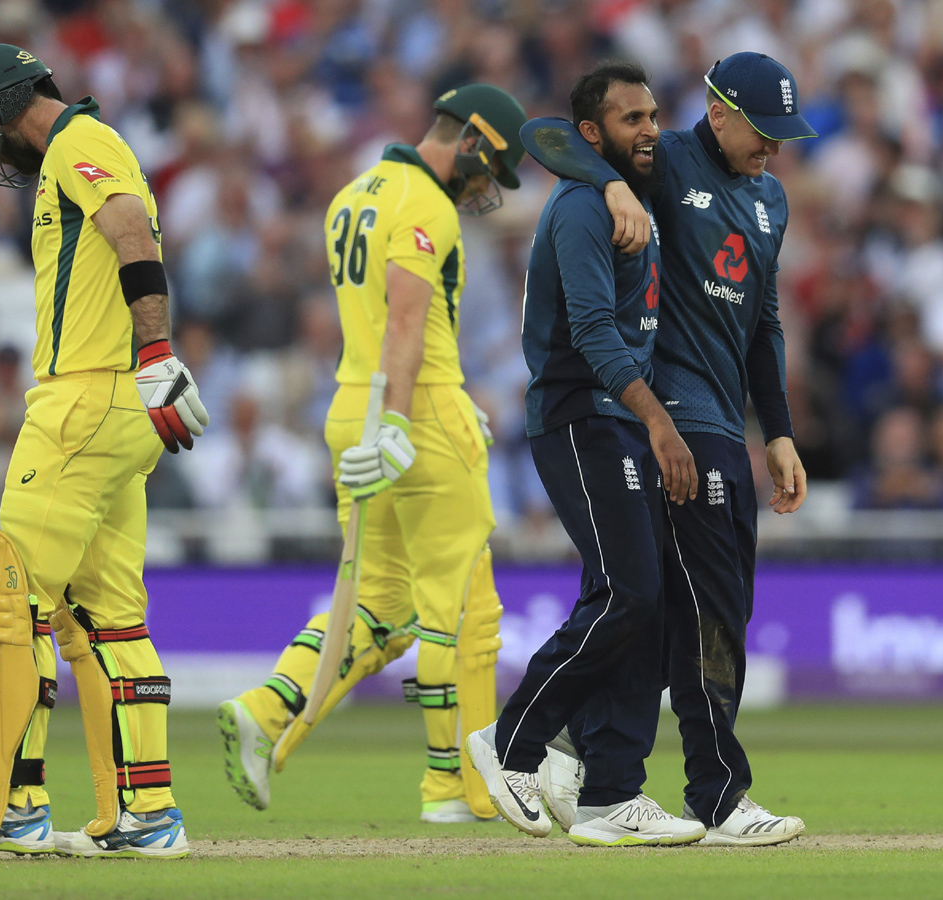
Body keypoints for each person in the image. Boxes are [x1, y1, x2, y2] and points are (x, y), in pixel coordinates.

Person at [0, 43, 208, 858]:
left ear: (0, 105)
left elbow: (131, 231)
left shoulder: (80, 144)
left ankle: (8, 806)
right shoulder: (86, 149)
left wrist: (156, 353)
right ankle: (147, 816)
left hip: (83, 400)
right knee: (111, 619)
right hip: (119, 414)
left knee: (10, 602)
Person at [217, 84, 526, 824]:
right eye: (492, 168)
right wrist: (398, 422)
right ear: (474, 139)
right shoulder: (427, 203)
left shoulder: (353, 194)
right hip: (416, 407)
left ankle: (266, 709)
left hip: (349, 408)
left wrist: (376, 421)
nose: (488, 188)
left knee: (380, 602)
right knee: (463, 608)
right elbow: (406, 320)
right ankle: (462, 787)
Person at [527, 51, 811, 846]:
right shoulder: (664, 156)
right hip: (676, 421)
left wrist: (780, 430)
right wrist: (612, 182)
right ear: (718, 112)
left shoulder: (770, 201)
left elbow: (764, 326)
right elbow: (546, 133)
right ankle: (717, 796)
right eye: (764, 131)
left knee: (708, 611)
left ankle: (579, 744)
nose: (775, 148)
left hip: (729, 424)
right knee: (700, 612)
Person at [465, 61, 707, 847]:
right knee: (627, 594)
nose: (650, 130)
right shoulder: (579, 207)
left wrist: (615, 179)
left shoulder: (631, 182)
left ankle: (610, 794)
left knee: (648, 600)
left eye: (652, 115)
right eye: (630, 119)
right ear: (594, 134)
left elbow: (555, 138)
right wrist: (660, 423)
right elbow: (596, 334)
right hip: (580, 413)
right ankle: (512, 745)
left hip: (620, 418)